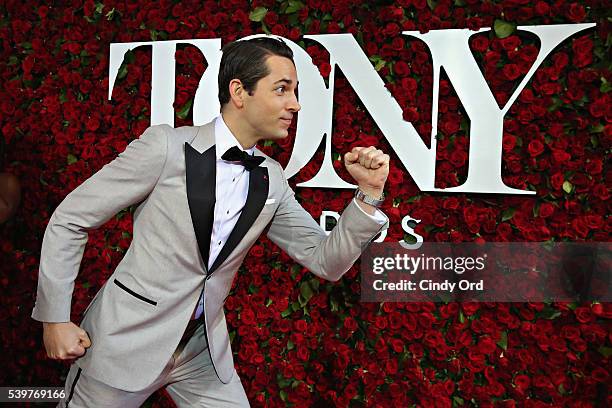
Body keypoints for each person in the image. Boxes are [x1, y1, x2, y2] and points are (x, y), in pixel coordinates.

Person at [32, 37, 390, 407]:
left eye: (295, 91)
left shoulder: (271, 177)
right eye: (282, 89)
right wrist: (55, 319)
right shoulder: (167, 148)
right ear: (239, 91)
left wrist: (368, 194)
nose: (295, 104)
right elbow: (70, 219)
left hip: (202, 353)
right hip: (125, 342)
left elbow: (325, 261)